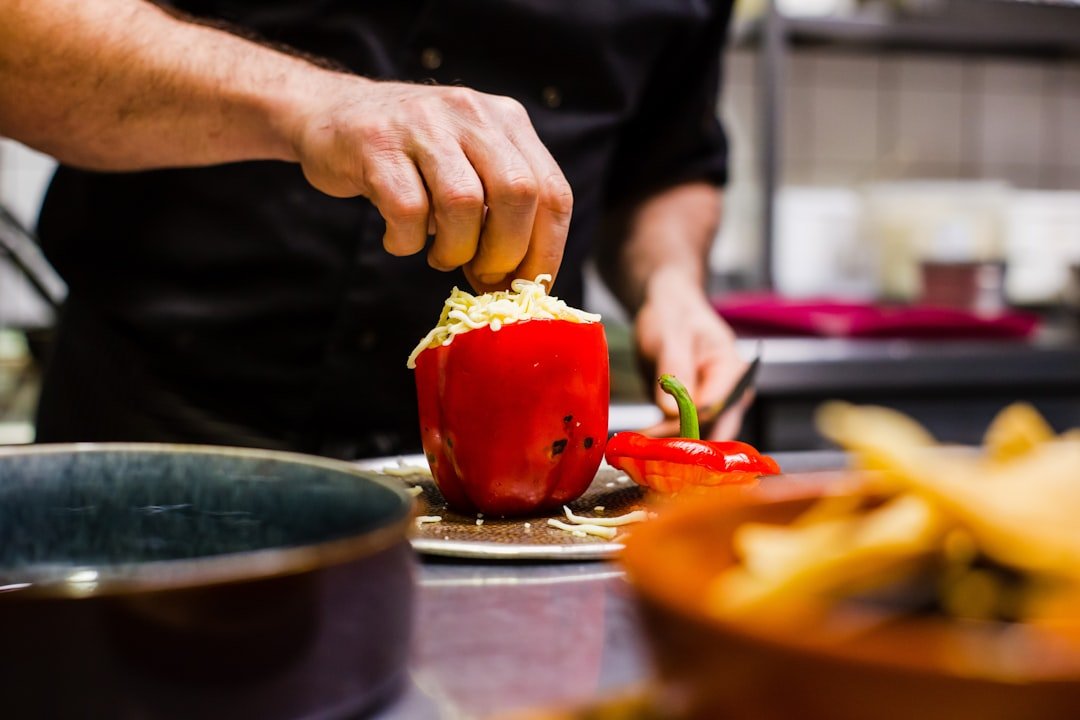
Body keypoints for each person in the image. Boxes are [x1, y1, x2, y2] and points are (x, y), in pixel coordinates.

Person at [0, 0, 747, 459]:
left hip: (524, 456)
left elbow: (665, 160)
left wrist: (671, 283)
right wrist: (307, 103)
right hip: (163, 424)